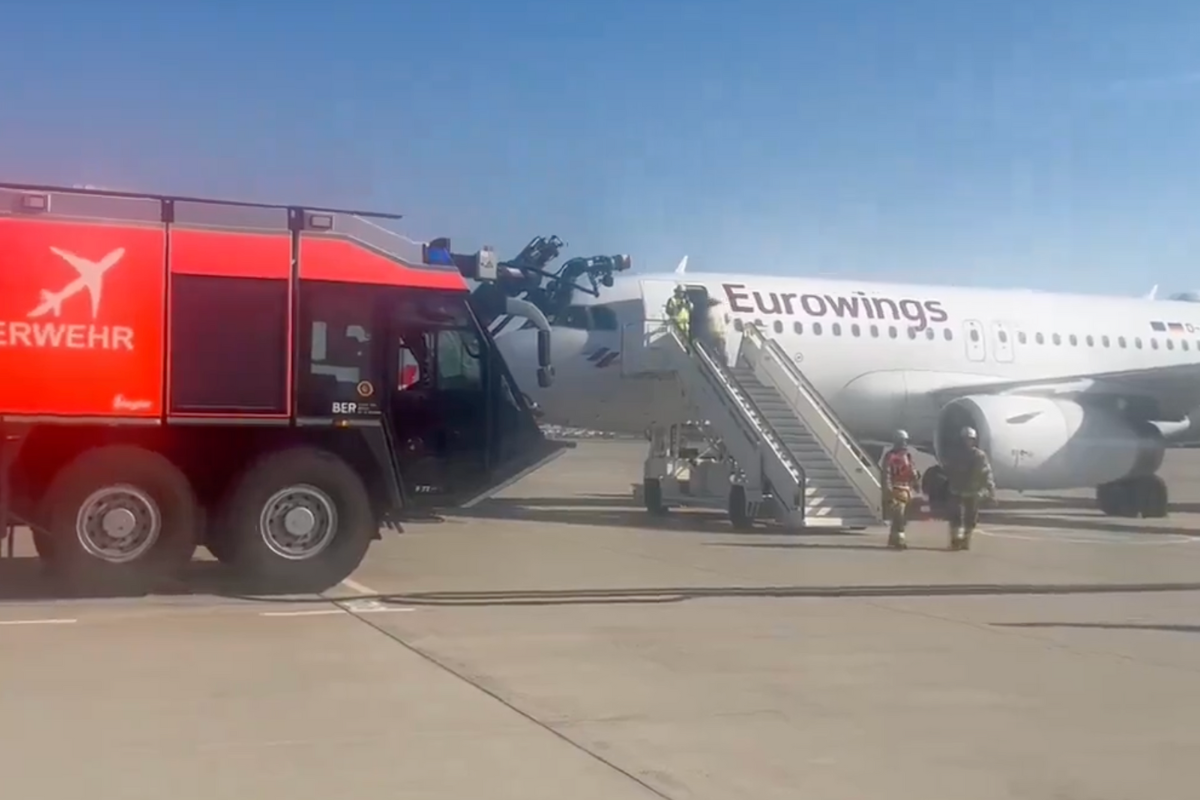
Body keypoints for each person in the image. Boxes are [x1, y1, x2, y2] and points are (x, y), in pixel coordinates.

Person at [941, 425, 996, 550]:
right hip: (957, 489)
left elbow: (986, 472)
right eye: (966, 439)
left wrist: (990, 489)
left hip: (972, 490)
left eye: (970, 439)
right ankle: (955, 539)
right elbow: (947, 469)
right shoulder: (955, 455)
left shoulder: (979, 456)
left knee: (971, 517)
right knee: (956, 516)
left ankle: (966, 539)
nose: (968, 442)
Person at [880, 429, 920, 549]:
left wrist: (916, 480)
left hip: (906, 490)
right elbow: (886, 474)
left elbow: (912, 471)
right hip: (895, 489)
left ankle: (893, 538)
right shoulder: (890, 457)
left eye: (905, 441)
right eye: (901, 441)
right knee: (899, 516)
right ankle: (900, 541)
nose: (903, 443)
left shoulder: (908, 456)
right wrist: (888, 490)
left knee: (903, 517)